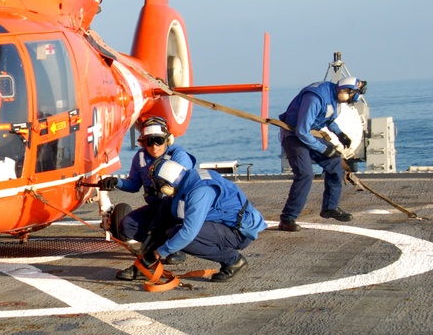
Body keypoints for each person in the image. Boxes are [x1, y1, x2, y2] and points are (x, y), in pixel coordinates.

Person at [122, 158, 267, 282]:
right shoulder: (189, 179)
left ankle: (233, 261)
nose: (157, 188)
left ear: (167, 185)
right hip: (222, 222)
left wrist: (159, 253)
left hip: (237, 233)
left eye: (158, 184)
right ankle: (143, 266)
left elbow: (188, 233)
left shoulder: (200, 193)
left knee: (180, 235)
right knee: (166, 207)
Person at [99, 115, 195, 271]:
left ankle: (178, 246)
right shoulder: (140, 157)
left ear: (167, 140)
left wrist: (165, 190)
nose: (154, 146)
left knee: (171, 214)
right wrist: (116, 182)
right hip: (156, 207)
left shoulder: (179, 156)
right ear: (143, 142)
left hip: (176, 208)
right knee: (127, 226)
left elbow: (187, 186)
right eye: (149, 141)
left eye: (158, 140)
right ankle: (160, 243)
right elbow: (133, 184)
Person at [277, 76, 367, 231]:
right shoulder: (315, 98)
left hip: (309, 134)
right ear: (345, 90)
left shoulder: (333, 95)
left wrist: (340, 134)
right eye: (350, 96)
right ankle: (287, 218)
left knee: (335, 163)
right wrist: (323, 149)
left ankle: (330, 207)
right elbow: (302, 131)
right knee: (305, 174)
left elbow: (327, 118)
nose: (348, 101)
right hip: (294, 137)